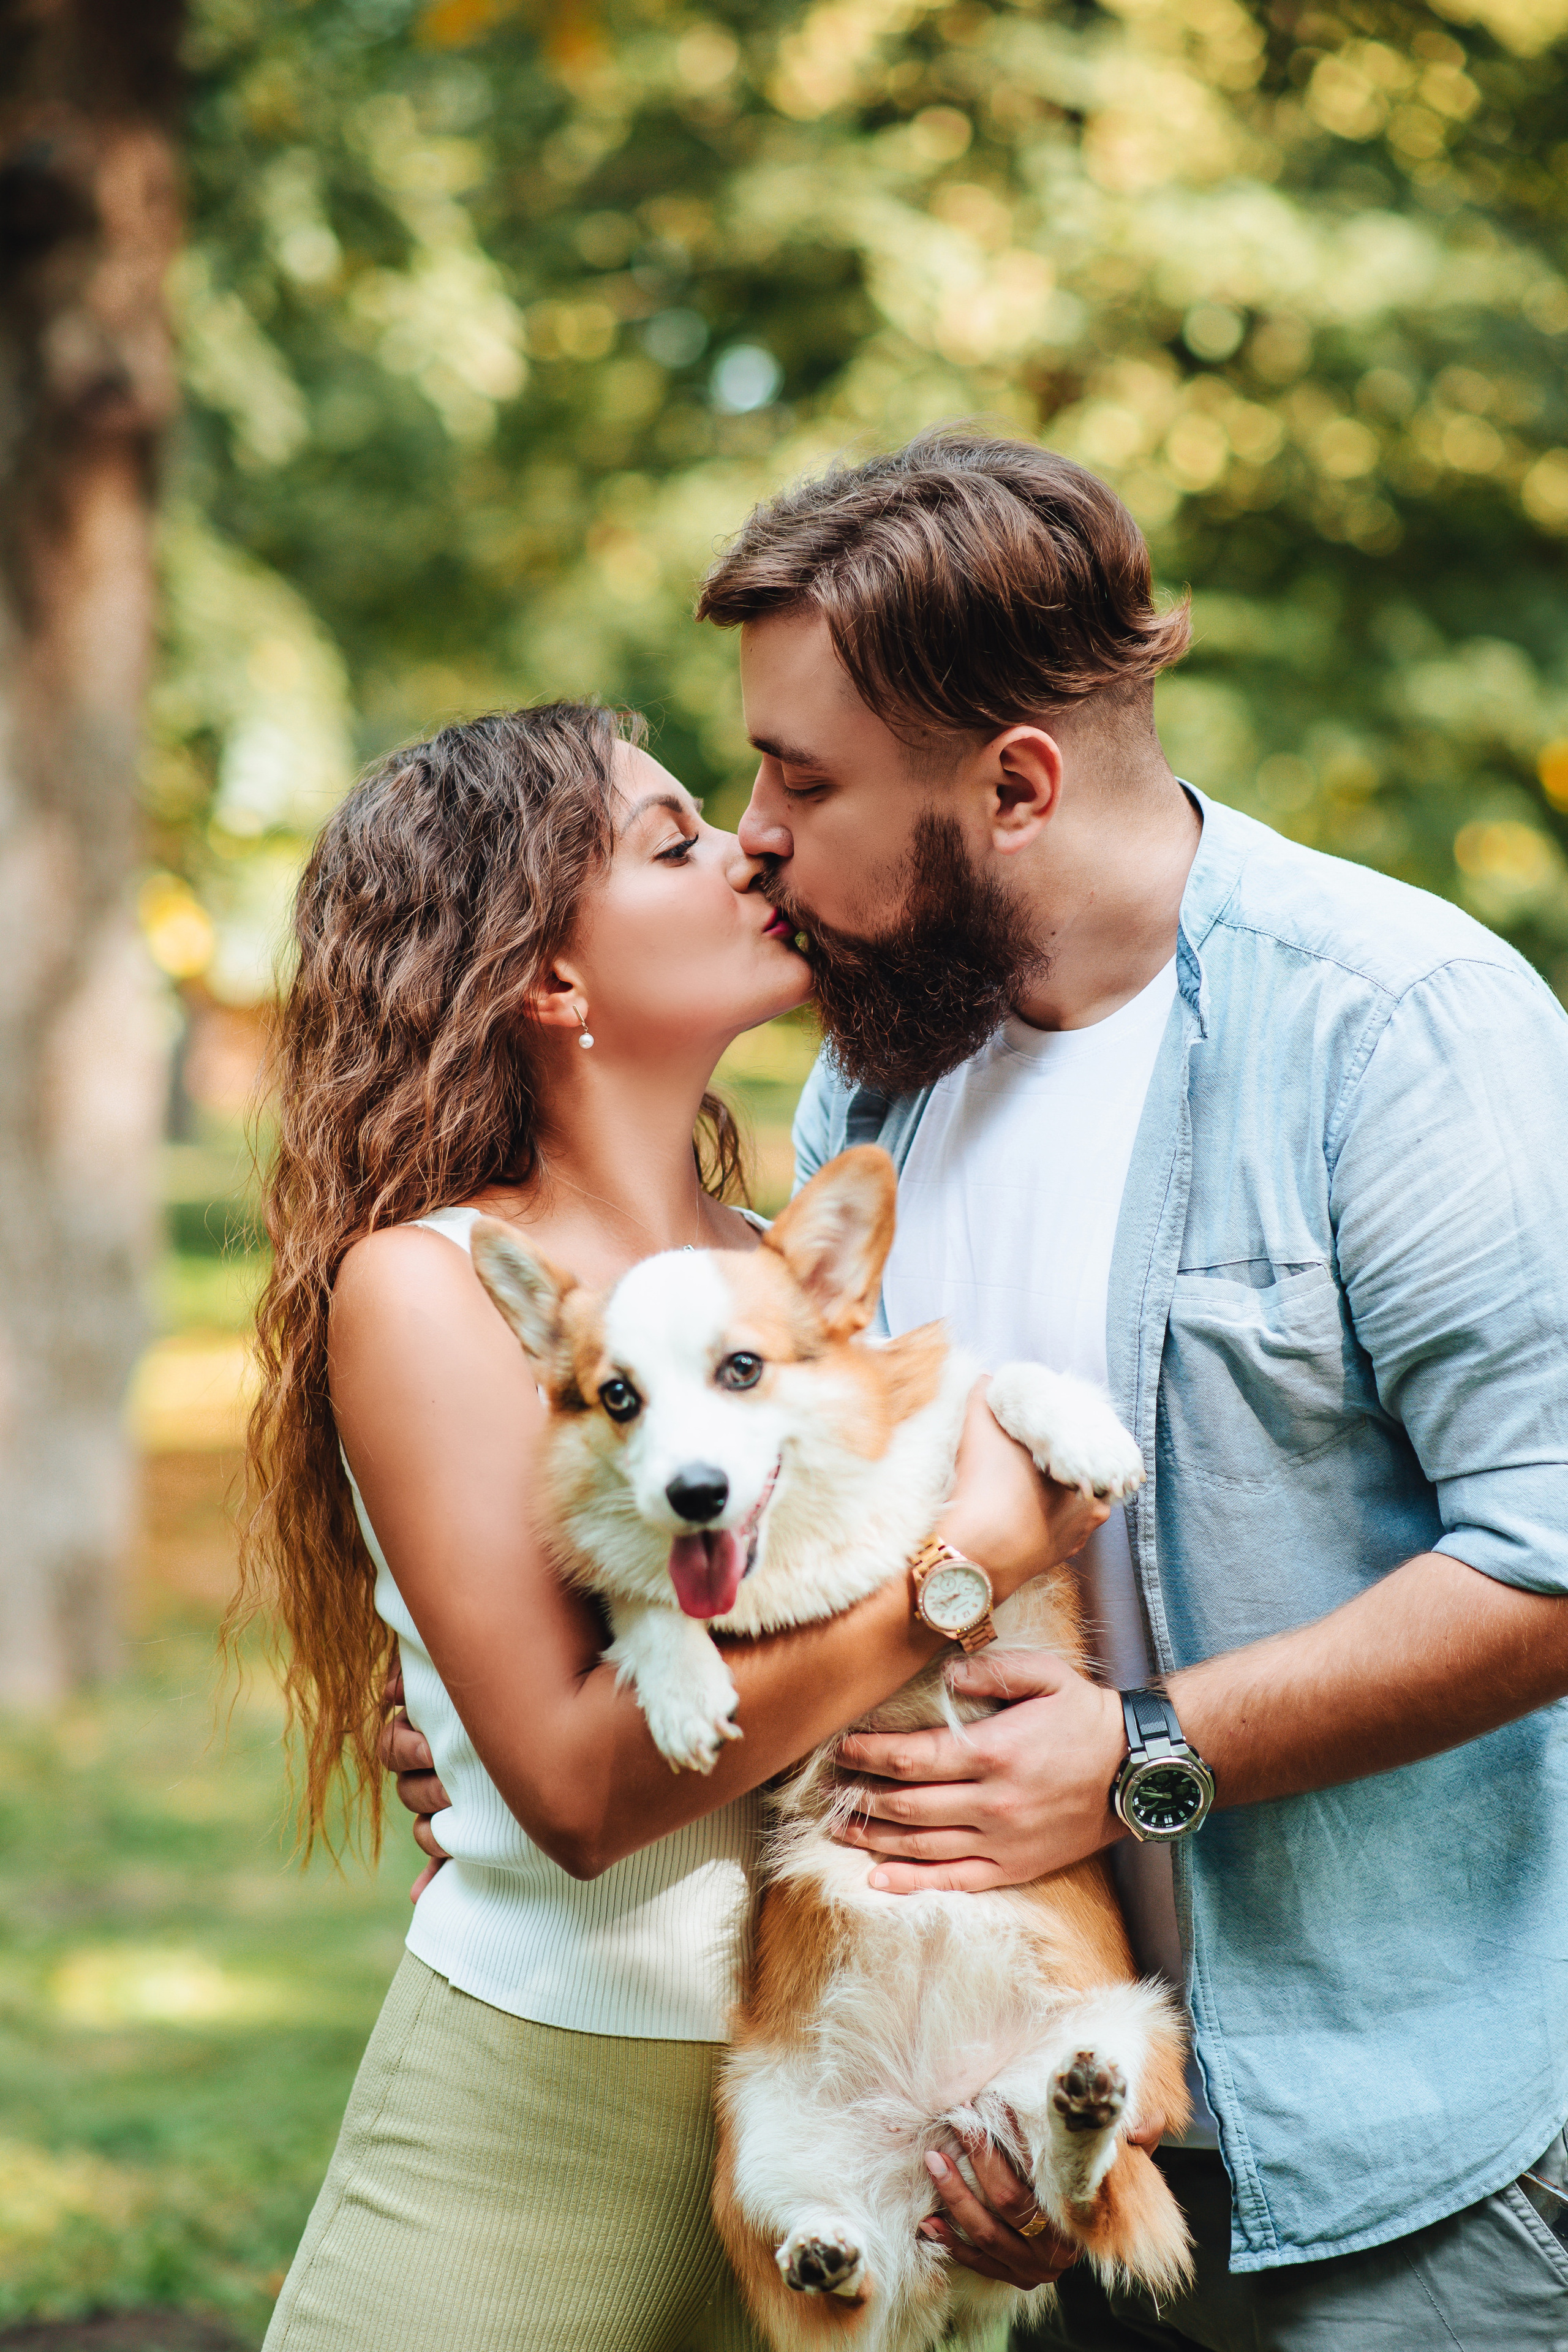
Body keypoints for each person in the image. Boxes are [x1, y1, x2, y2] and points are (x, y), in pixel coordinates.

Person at [683, 429, 1568, 2349]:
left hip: (1428, 2149)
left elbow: (1554, 1552)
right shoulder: (881, 1087)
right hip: (1063, 2150)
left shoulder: (1396, 1030)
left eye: (802, 777)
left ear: (1014, 784)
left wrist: (1148, 1751)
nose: (751, 830)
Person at [238, 700, 1096, 2352]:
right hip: (545, 2116)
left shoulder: (792, 1261)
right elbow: (573, 1792)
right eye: (676, 838)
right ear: (549, 982)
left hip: (835, 2096)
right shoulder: (431, 1288)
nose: (752, 847)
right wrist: (957, 1565)